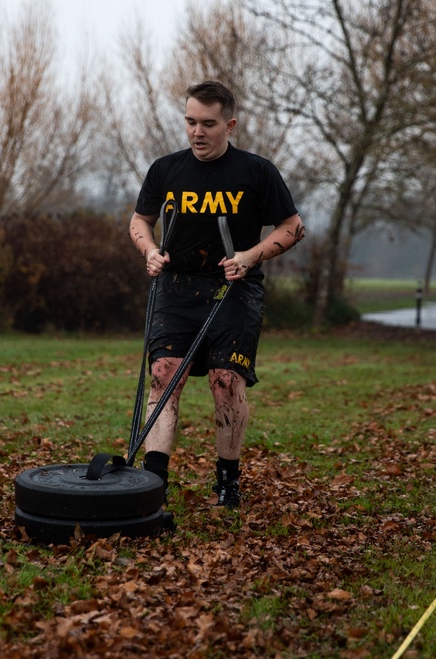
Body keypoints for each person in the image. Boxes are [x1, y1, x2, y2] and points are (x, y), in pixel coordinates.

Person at [128, 80, 305, 508]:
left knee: (226, 382)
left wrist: (250, 256)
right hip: (176, 287)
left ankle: (228, 483)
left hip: (234, 289)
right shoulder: (165, 170)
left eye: (208, 123)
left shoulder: (256, 171)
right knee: (164, 374)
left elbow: (293, 227)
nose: (197, 132)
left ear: (230, 124)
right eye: (190, 122)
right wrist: (150, 251)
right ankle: (154, 483)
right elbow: (139, 221)